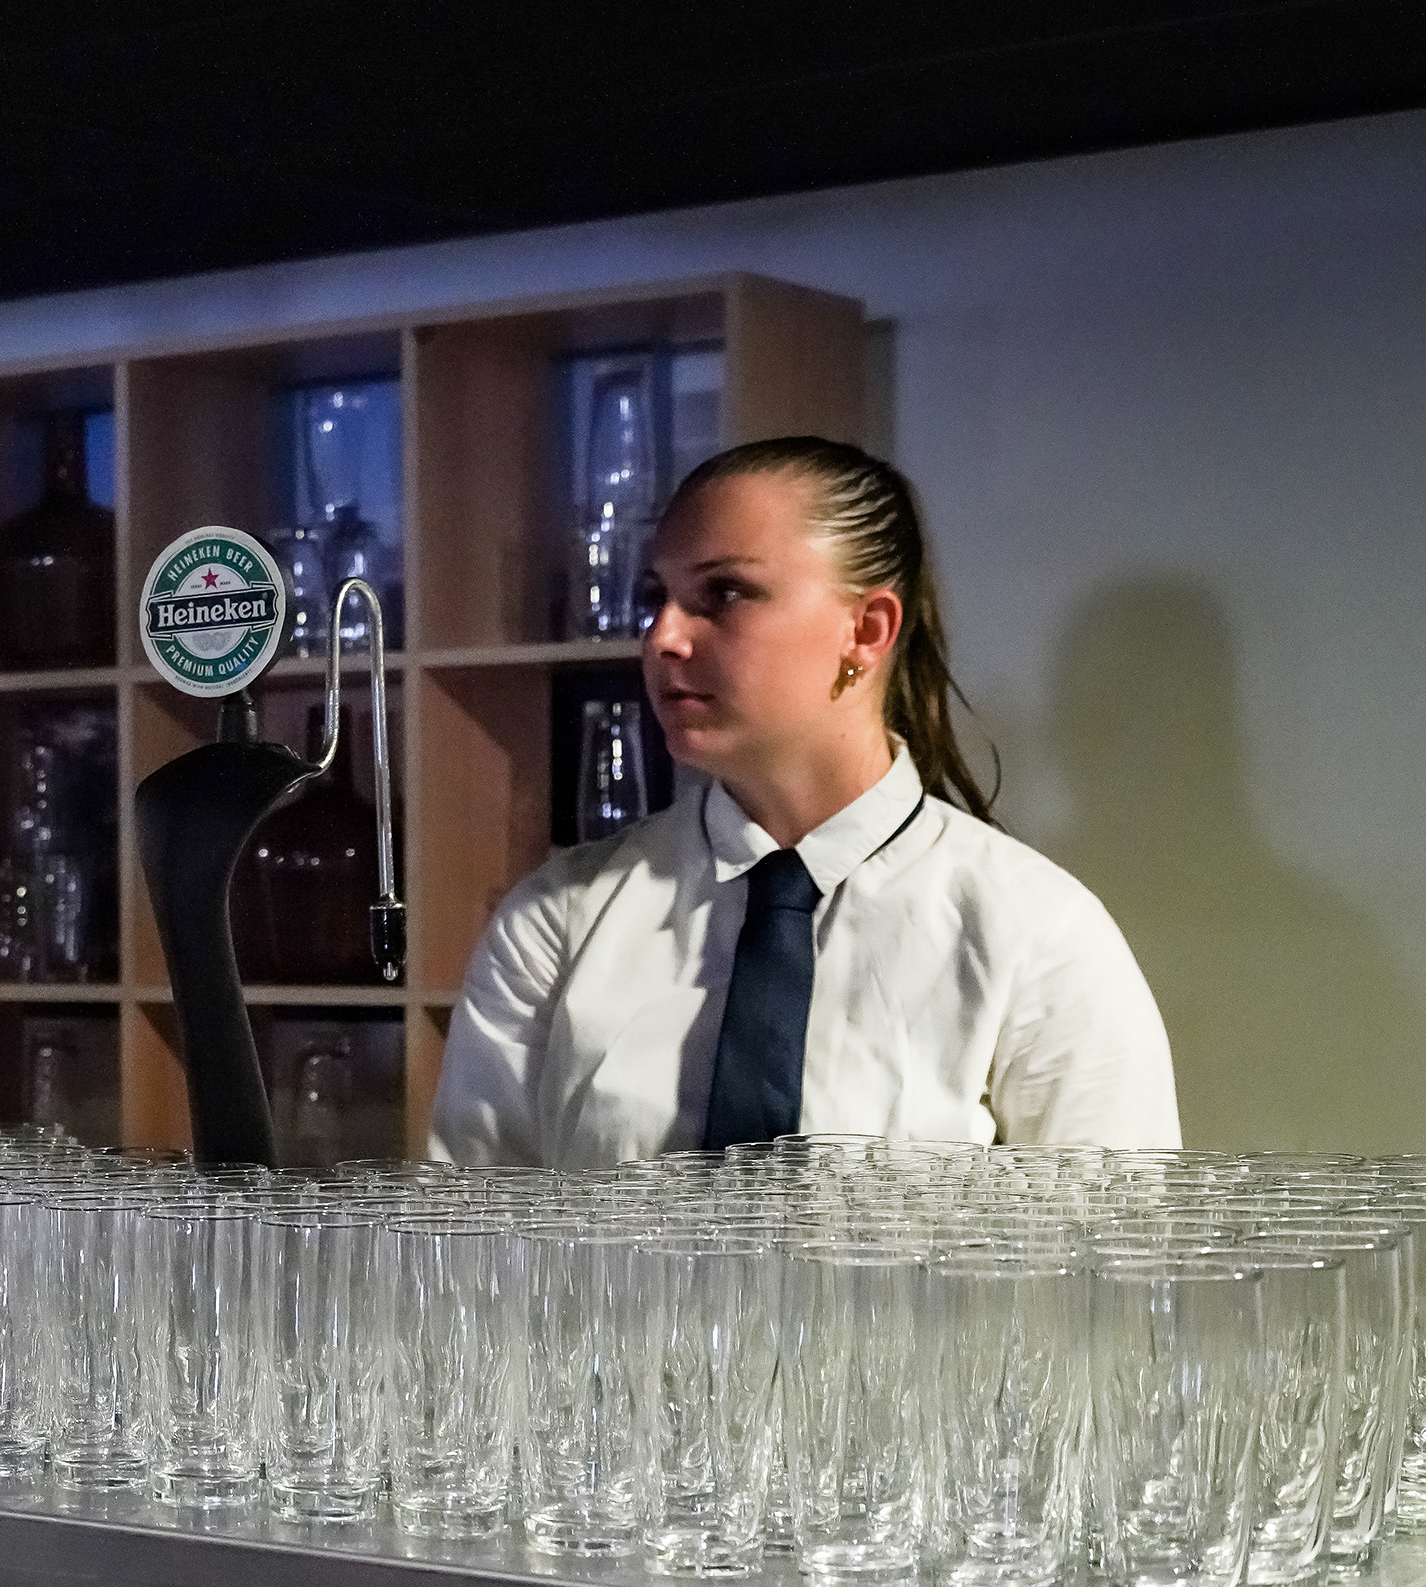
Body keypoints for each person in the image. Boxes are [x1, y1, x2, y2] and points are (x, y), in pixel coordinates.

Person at [428, 434, 1177, 1166]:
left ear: (867, 629)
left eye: (723, 593)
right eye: (656, 597)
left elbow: (1113, 1264)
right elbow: (465, 1245)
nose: (662, 637)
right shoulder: (559, 919)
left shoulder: (1034, 932)